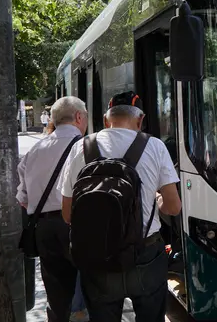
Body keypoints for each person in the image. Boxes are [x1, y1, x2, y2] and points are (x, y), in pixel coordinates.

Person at [59, 91, 181, 322]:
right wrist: (156, 200)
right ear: (140, 119)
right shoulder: (155, 146)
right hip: (145, 255)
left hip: (98, 258)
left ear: (106, 120)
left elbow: (67, 214)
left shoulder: (81, 148)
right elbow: (173, 208)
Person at [17, 97, 88, 322]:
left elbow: (23, 199)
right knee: (87, 288)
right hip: (78, 225)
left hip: (45, 228)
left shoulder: (35, 150)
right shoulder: (88, 147)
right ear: (79, 117)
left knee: (56, 293)